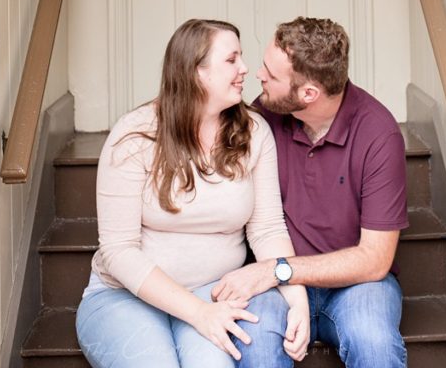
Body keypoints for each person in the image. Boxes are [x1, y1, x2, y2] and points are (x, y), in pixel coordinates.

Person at [75, 18, 310, 368]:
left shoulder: (254, 131)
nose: (245, 69)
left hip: (213, 293)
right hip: (123, 297)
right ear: (195, 72)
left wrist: (299, 302)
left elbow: (267, 230)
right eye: (232, 59)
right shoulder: (135, 135)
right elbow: (118, 251)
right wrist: (198, 313)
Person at [212, 17, 409, 368]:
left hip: (356, 285)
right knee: (252, 347)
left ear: (308, 95)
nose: (257, 75)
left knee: (375, 344)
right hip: (274, 289)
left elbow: (375, 260)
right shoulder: (263, 117)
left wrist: (277, 270)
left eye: (271, 75)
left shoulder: (379, 134)